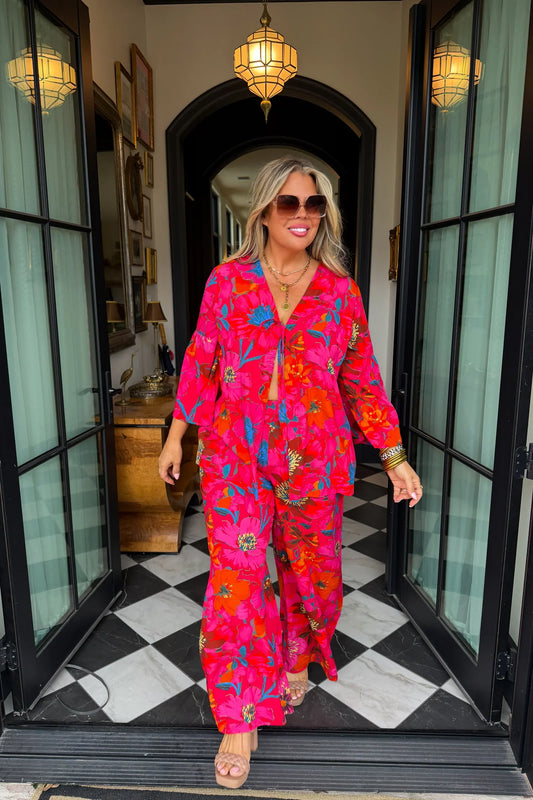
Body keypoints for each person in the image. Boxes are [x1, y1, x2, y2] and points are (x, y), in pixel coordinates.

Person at [159, 156, 422, 788]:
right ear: (263, 211)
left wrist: (394, 457)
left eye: (314, 204)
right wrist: (175, 438)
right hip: (235, 455)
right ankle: (239, 718)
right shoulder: (227, 281)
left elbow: (362, 383)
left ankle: (300, 653)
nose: (302, 215)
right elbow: (200, 362)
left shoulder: (339, 291)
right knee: (237, 582)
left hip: (315, 457)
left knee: (313, 573)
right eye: (289, 203)